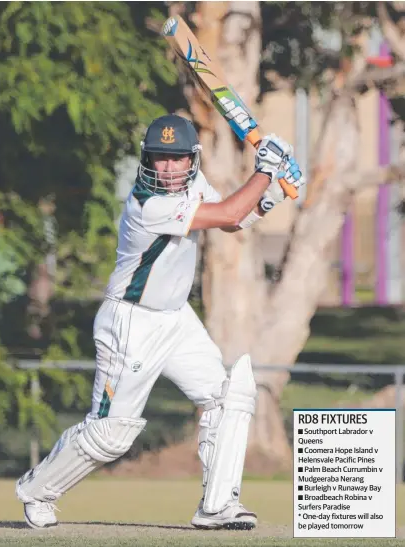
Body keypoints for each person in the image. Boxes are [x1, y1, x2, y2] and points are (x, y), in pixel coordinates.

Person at [16, 114, 306, 530]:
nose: (167, 168)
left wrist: (273, 191)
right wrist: (266, 169)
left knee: (225, 398)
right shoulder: (147, 204)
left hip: (175, 319)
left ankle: (218, 505)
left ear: (192, 160)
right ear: (146, 160)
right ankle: (36, 489)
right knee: (112, 435)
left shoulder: (194, 185)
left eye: (176, 159)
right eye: (159, 158)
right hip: (130, 324)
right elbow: (226, 209)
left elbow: (231, 220)